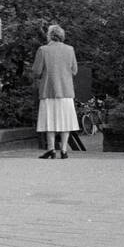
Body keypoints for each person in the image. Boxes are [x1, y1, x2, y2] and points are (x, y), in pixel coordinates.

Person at [32, 23, 79, 159]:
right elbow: (74, 70)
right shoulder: (70, 50)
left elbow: (36, 71)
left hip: (48, 90)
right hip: (66, 91)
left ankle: (51, 149)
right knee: (66, 121)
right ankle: (64, 150)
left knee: (49, 120)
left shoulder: (43, 50)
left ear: (49, 35)